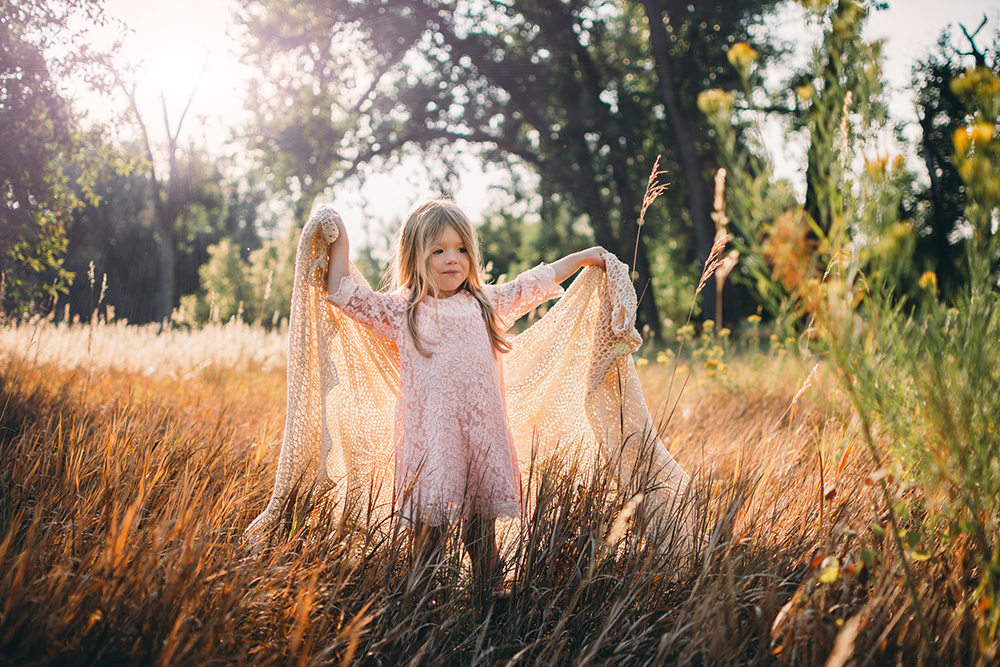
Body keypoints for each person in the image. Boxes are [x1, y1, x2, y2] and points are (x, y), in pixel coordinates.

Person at [323, 199, 607, 594]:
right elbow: (341, 292)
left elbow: (533, 283)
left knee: (480, 533)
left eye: (460, 250)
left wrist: (581, 258)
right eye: (437, 251)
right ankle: (417, 611)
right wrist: (340, 239)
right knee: (428, 541)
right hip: (432, 442)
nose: (451, 260)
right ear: (414, 257)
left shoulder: (484, 304)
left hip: (479, 438)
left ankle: (489, 600)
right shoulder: (403, 310)